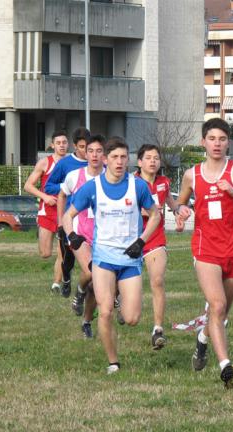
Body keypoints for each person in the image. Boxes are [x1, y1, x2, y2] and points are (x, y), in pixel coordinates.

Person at [175, 118, 233, 389]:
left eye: (222, 139)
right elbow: (181, 202)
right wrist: (181, 213)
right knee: (216, 306)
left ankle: (202, 340)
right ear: (203, 142)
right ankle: (225, 365)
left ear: (228, 143)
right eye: (212, 139)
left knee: (222, 312)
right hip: (206, 250)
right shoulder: (191, 175)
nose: (217, 144)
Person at [62, 137, 160, 375]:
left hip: (129, 259)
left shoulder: (137, 186)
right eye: (114, 157)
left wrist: (141, 241)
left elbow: (155, 215)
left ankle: (120, 299)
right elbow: (68, 215)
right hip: (103, 258)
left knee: (132, 317)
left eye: (123, 157)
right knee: (105, 310)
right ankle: (113, 362)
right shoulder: (92, 187)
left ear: (128, 159)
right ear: (105, 159)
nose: (119, 162)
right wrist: (71, 235)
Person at [135, 144, 182, 350]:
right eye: (148, 158)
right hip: (132, 239)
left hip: (155, 239)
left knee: (157, 280)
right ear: (139, 162)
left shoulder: (163, 182)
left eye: (156, 158)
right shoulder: (132, 183)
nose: (153, 161)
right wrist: (147, 213)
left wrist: (179, 214)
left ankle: (158, 329)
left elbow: (172, 204)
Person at [58, 134, 105, 338]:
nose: (94, 155)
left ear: (105, 155)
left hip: (103, 234)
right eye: (90, 151)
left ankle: (86, 321)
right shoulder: (74, 176)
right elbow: (62, 195)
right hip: (79, 232)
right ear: (85, 153)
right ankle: (78, 291)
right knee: (90, 272)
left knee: (96, 283)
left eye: (99, 151)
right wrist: (62, 222)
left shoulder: (111, 176)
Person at [45, 127, 91, 297]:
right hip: (70, 218)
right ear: (74, 146)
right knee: (68, 259)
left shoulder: (95, 162)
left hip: (90, 218)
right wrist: (69, 186)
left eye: (89, 147)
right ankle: (65, 279)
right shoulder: (65, 164)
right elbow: (48, 186)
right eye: (82, 147)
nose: (86, 151)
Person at [23, 130, 68, 293]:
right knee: (45, 253)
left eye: (64, 142)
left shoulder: (72, 163)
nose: (62, 145)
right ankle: (44, 237)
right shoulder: (45, 163)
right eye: (59, 143)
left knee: (62, 250)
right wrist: (45, 197)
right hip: (47, 210)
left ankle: (57, 283)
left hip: (65, 212)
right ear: (52, 145)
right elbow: (27, 186)